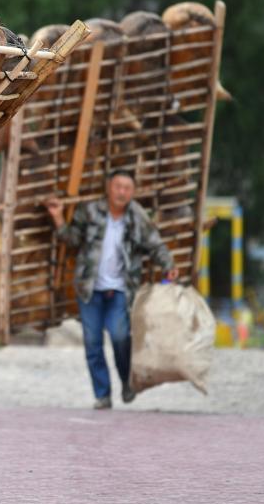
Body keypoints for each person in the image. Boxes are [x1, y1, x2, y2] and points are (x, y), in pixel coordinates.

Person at [43, 170, 176, 410]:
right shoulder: (90, 210)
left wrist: (168, 266)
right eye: (118, 186)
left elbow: (155, 244)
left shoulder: (137, 216)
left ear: (133, 192)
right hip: (89, 288)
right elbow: (72, 239)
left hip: (121, 289)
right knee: (93, 343)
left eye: (127, 188)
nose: (122, 192)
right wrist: (59, 218)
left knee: (120, 336)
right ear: (108, 188)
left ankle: (126, 380)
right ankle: (102, 394)